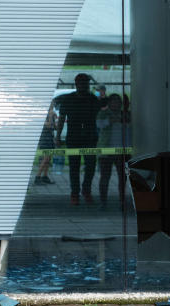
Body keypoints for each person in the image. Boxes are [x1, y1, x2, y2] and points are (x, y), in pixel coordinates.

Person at [55, 73, 103, 205]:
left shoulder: (92, 98)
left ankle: (86, 190)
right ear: (76, 84)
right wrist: (58, 136)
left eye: (86, 83)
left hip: (90, 136)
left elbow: (101, 116)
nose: (83, 85)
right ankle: (74, 193)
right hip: (73, 137)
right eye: (81, 83)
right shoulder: (68, 99)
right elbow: (62, 118)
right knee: (74, 167)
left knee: (91, 165)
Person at [97, 93, 129, 208]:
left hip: (122, 151)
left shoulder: (126, 115)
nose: (116, 104)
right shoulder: (103, 113)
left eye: (118, 102)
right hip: (106, 151)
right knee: (105, 177)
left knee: (122, 178)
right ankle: (103, 202)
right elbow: (99, 124)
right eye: (113, 102)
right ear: (109, 103)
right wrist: (110, 120)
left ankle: (122, 202)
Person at [33, 104, 57, 185]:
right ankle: (37, 177)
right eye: (51, 105)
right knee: (45, 158)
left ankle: (45, 176)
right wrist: (50, 116)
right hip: (44, 138)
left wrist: (56, 119)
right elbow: (48, 125)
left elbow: (55, 127)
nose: (52, 107)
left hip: (50, 138)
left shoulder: (52, 114)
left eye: (53, 105)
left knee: (49, 158)